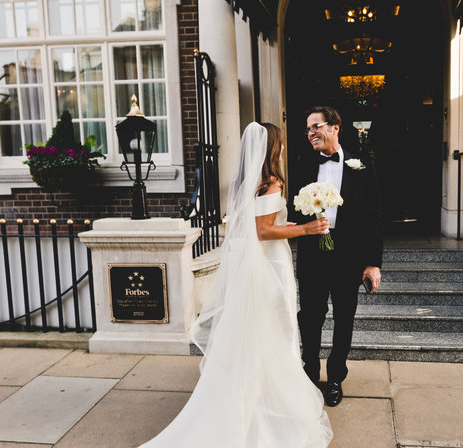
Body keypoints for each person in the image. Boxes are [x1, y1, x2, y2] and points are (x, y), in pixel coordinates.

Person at [138, 122, 333, 448]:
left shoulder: (248, 182)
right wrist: (307, 229)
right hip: (269, 267)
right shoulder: (271, 183)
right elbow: (263, 231)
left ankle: (254, 400)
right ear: (273, 148)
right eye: (281, 144)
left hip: (255, 268)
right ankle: (268, 411)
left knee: (254, 336)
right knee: (275, 333)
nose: (284, 149)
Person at [294, 106, 384, 407]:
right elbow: (292, 206)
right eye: (307, 129)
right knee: (309, 317)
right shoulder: (302, 162)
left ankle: (335, 378)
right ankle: (310, 373)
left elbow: (374, 214)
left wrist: (373, 263)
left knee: (344, 318)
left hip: (350, 256)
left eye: (316, 126)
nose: (310, 133)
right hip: (311, 253)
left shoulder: (362, 164)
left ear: (335, 127)